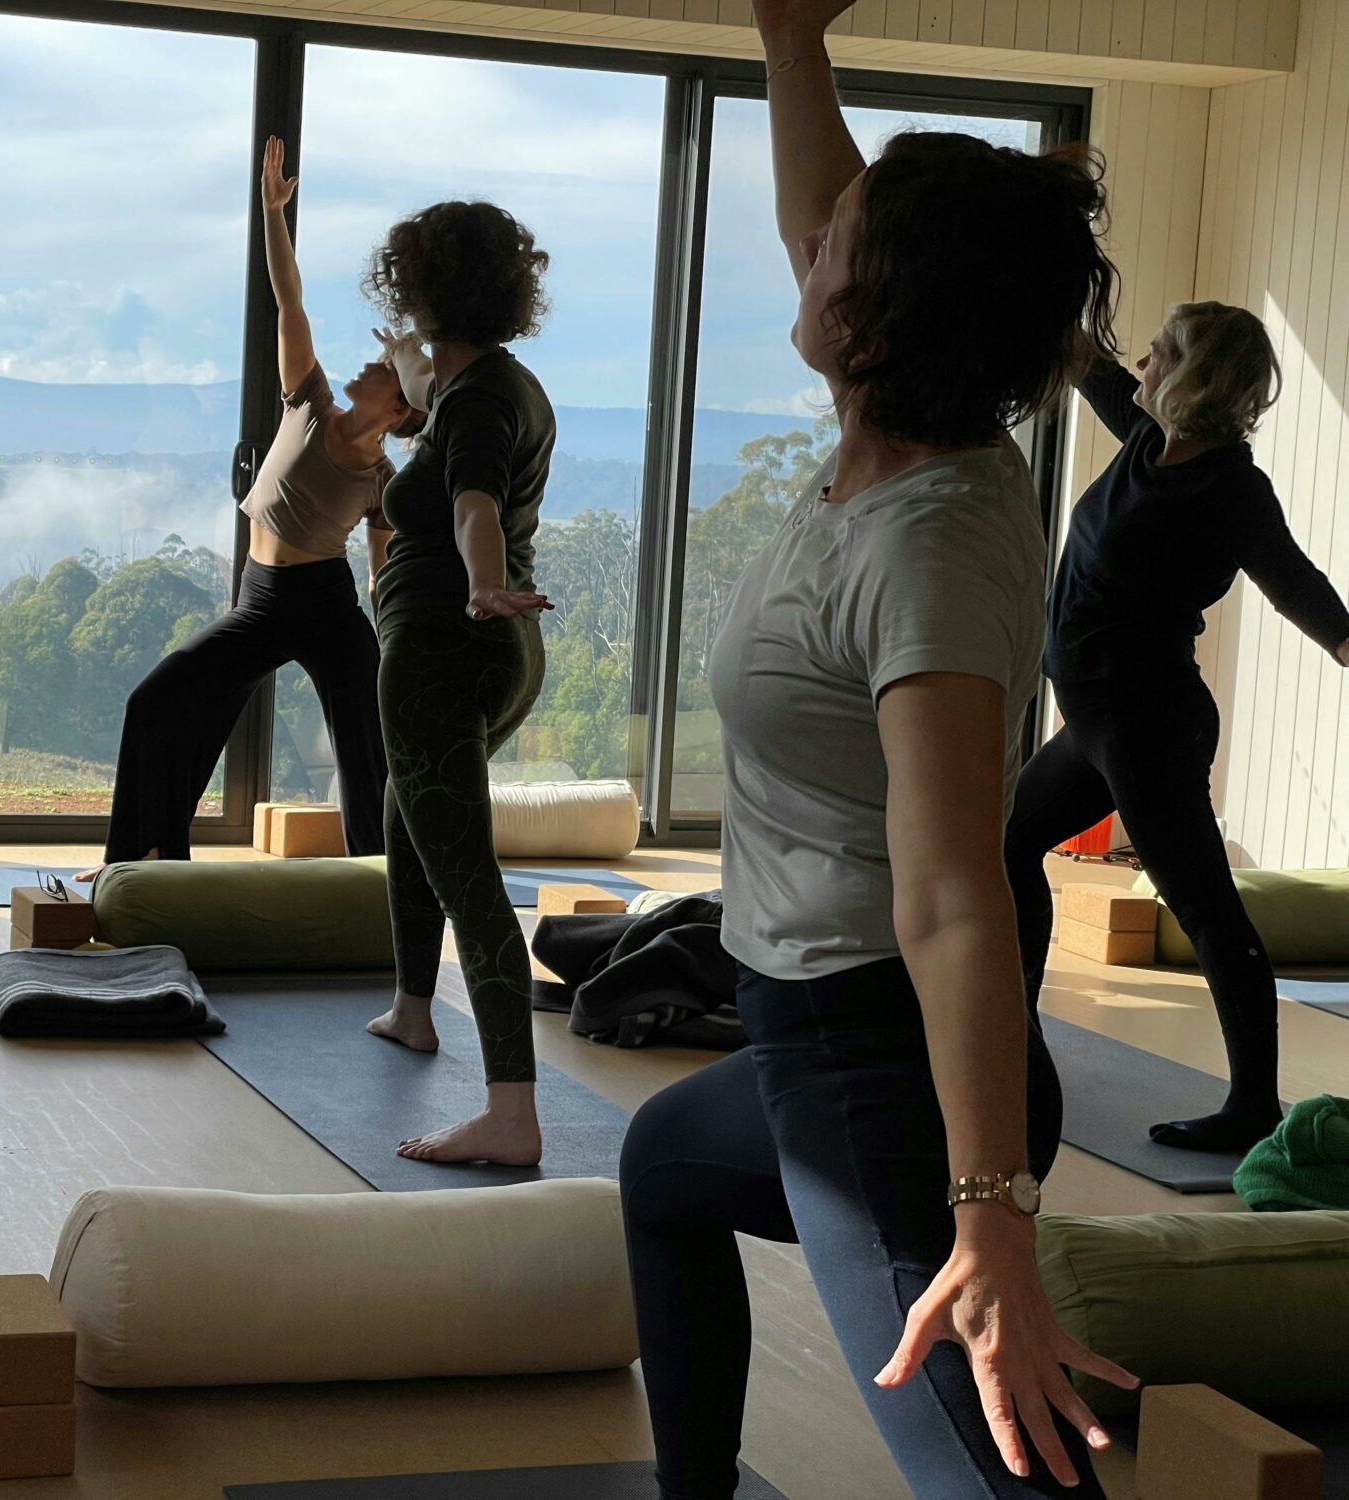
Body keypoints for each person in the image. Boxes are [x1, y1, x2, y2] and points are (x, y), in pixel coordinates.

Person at [618, 1, 1140, 1494]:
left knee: (996, 1471)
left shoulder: (930, 544)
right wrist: (790, 39)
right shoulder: (877, 436)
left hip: (879, 1075)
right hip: (798, 1037)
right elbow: (821, 227)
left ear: (877, 318)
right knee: (663, 1172)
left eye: (839, 241)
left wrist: (992, 1225)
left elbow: (956, 895)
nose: (808, 242)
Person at [1005, 302, 1349, 1153]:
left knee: (1207, 912)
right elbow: (1091, 363)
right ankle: (1016, 1040)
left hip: (1148, 725)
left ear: (1193, 376)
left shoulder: (1229, 486)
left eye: (1160, 353)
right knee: (1009, 843)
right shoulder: (1148, 440)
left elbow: (1295, 581)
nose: (1145, 362)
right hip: (1098, 723)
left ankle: (1253, 1108)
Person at [81, 136, 420, 879]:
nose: (370, 364)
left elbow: (380, 575)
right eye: (378, 360)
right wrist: (272, 214)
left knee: (367, 747)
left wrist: (393, 643)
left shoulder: (383, 482)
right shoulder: (307, 398)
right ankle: (142, 859)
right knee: (158, 704)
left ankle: (382, 887)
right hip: (262, 598)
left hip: (326, 608)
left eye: (387, 372)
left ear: (398, 410)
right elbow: (287, 294)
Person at [359, 199, 557, 1167]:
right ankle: (409, 1006)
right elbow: (445, 434)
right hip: (478, 654)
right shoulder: (495, 382)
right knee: (410, 811)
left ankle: (509, 1114)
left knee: (466, 876)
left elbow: (472, 501)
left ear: (420, 288)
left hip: (445, 648)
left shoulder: (474, 405)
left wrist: (483, 585)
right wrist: (409, 370)